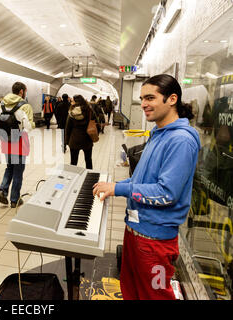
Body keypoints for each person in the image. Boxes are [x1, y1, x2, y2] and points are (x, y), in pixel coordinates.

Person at [92, 74, 201, 300]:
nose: (143, 104)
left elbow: (166, 193)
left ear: (172, 99)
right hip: (135, 234)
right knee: (131, 290)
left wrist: (119, 189)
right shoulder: (158, 133)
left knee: (156, 294)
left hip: (155, 244)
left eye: (150, 98)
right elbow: (143, 181)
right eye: (142, 98)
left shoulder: (181, 140)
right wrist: (115, 185)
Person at [0, 82, 32, 208]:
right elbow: (29, 126)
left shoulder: (1, 104)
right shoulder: (25, 105)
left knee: (9, 167)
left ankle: (3, 190)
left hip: (6, 139)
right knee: (18, 170)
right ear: (21, 91)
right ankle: (14, 199)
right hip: (20, 140)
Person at [65, 95, 95, 169]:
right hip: (87, 139)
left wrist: (67, 141)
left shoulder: (71, 113)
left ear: (75, 102)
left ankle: (72, 178)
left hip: (74, 140)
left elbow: (68, 128)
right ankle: (89, 177)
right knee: (88, 161)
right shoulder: (89, 111)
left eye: (73, 101)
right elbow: (95, 122)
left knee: (73, 162)